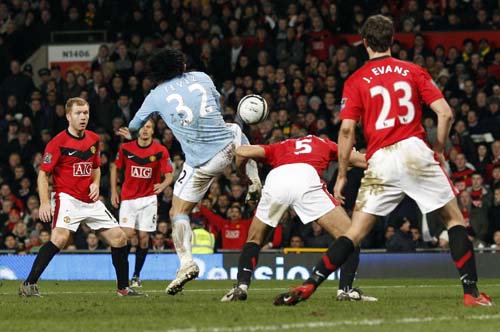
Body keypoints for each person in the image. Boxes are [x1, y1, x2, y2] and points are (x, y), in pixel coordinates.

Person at [274, 15, 492, 307]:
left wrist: (340, 176)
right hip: (415, 151)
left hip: (380, 160)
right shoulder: (413, 70)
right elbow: (445, 113)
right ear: (392, 40)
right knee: (453, 220)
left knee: (354, 233)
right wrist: (438, 148)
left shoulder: (355, 80)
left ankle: (310, 285)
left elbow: (348, 129)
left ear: (365, 43)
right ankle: (471, 293)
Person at [127, 47, 261, 295]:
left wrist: (131, 132)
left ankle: (187, 263)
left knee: (178, 211)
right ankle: (253, 179)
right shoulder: (202, 77)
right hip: (227, 146)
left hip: (202, 162)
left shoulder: (155, 95)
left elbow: (134, 126)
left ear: (157, 73)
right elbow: (215, 103)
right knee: (234, 129)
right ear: (181, 65)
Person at [221, 135, 377, 302]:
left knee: (254, 239)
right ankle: (345, 291)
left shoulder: (280, 146)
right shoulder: (323, 143)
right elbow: (364, 161)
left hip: (276, 180)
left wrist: (247, 178)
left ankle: (241, 287)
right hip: (306, 178)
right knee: (351, 236)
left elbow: (242, 152)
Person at [19, 97, 144, 297]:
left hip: (89, 200)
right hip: (67, 197)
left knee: (120, 238)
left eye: (85, 112)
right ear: (69, 116)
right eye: (78, 113)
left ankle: (123, 289)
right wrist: (44, 202)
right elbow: (43, 174)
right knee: (59, 238)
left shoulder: (94, 139)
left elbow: (96, 168)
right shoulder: (57, 143)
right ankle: (28, 284)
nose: (83, 117)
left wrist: (95, 183)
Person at [110, 118, 173, 288]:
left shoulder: (160, 151)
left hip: (148, 199)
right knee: (126, 236)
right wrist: (114, 191)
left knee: (144, 238)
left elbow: (169, 174)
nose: (145, 130)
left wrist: (163, 185)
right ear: (138, 130)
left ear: (153, 131)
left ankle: (136, 275)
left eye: (149, 127)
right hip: (129, 199)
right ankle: (122, 275)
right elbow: (115, 167)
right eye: (143, 127)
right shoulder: (126, 149)